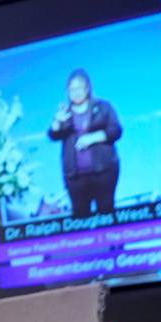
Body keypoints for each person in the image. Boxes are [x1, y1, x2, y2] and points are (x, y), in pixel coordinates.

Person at [45, 69, 123, 215]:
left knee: (106, 213)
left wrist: (93, 138)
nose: (76, 92)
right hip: (75, 177)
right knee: (80, 218)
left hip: (104, 172)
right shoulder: (65, 113)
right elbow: (53, 135)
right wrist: (56, 121)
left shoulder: (103, 107)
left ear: (87, 88)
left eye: (79, 88)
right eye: (72, 89)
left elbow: (116, 131)